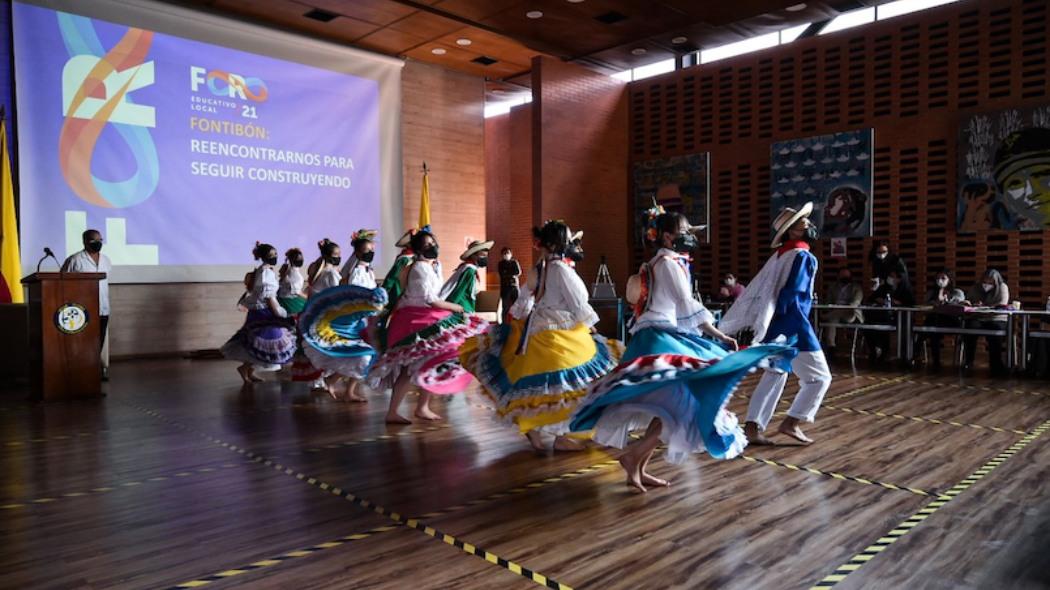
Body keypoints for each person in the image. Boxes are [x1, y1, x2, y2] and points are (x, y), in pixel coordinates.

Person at [568, 209, 791, 492]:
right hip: (661, 338)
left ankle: (636, 464)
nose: (690, 236)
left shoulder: (661, 261)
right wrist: (719, 334)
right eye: (684, 230)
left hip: (658, 336)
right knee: (681, 405)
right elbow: (686, 304)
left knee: (671, 407)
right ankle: (634, 457)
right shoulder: (668, 263)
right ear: (667, 236)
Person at [460, 220, 623, 452]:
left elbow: (524, 300)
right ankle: (560, 437)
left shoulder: (540, 268)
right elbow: (578, 304)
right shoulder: (562, 270)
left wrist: (519, 321)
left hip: (537, 332)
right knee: (574, 385)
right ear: (561, 243)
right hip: (560, 333)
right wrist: (594, 328)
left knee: (546, 389)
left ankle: (540, 432)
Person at [720, 202, 833, 445]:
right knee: (820, 378)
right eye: (805, 223)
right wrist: (793, 330)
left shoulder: (780, 255)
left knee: (775, 373)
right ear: (793, 231)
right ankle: (792, 422)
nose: (810, 226)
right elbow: (793, 294)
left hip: (776, 324)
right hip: (794, 325)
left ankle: (753, 427)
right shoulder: (804, 256)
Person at [367, 228, 488, 423]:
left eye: (433, 244)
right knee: (409, 368)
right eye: (427, 246)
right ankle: (394, 411)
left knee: (432, 361)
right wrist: (457, 308)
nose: (433, 247)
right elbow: (431, 300)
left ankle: (422, 407)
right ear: (418, 249)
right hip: (415, 320)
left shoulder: (428, 267)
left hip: (426, 316)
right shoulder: (419, 268)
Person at [303, 232, 381, 402]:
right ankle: (340, 386)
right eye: (367, 250)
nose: (371, 253)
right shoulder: (355, 273)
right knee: (362, 355)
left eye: (373, 249)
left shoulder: (368, 271)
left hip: (365, 319)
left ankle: (341, 386)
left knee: (362, 356)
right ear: (358, 253)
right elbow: (353, 296)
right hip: (355, 319)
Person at [220, 242, 296, 385]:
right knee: (263, 342)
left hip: (261, 311)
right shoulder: (266, 273)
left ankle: (248, 371)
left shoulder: (264, 270)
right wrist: (279, 313)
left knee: (257, 343)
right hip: (263, 313)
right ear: (263, 257)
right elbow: (268, 297)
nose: (275, 257)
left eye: (275, 254)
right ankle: (246, 369)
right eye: (271, 255)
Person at [61, 229, 113, 378]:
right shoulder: (75, 260)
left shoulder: (106, 260)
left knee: (99, 340)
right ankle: (80, 370)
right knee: (83, 341)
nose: (97, 243)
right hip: (82, 310)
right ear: (84, 241)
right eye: (93, 240)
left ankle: (95, 368)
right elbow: (63, 281)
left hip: (102, 308)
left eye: (100, 240)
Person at [961, 269, 1011, 375]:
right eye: (985, 281)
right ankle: (969, 361)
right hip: (979, 317)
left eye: (990, 282)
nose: (987, 284)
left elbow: (1002, 304)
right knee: (970, 327)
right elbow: (968, 300)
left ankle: (996, 363)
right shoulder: (976, 287)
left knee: (995, 332)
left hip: (996, 317)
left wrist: (985, 306)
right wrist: (970, 303)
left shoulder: (1002, 287)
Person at [863, 268, 914, 363]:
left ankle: (888, 353)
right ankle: (873, 351)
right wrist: (878, 300)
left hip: (898, 318)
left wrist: (896, 303)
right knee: (867, 324)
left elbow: (910, 305)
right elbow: (871, 299)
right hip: (881, 316)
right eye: (890, 276)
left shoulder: (906, 289)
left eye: (893, 276)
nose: (890, 278)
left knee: (885, 326)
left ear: (899, 278)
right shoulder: (884, 288)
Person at [921, 269, 965, 370]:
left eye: (943, 278)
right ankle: (935, 361)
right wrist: (936, 301)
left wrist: (946, 301)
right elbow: (925, 307)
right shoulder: (931, 293)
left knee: (930, 323)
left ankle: (916, 348)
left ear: (949, 280)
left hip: (952, 321)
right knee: (932, 326)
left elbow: (959, 306)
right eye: (937, 278)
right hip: (936, 322)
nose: (940, 280)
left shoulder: (957, 292)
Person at [440, 239, 493, 313]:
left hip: (467, 307)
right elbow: (458, 292)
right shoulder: (469, 271)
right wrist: (449, 309)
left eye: (486, 256)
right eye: (482, 255)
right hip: (462, 309)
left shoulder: (468, 268)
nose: (485, 258)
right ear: (473, 256)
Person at [820, 267, 864, 354]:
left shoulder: (856, 288)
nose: (844, 277)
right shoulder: (833, 287)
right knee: (832, 320)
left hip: (850, 314)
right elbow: (828, 302)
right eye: (842, 275)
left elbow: (856, 302)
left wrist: (843, 306)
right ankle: (831, 346)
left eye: (846, 275)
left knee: (835, 313)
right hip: (835, 312)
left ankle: (822, 317)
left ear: (850, 276)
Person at [498, 247, 521, 320]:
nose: (506, 255)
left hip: (514, 287)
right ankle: (504, 323)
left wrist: (508, 273)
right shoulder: (501, 264)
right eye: (504, 253)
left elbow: (518, 272)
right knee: (505, 307)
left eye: (508, 253)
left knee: (517, 306)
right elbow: (502, 274)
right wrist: (511, 274)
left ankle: (516, 322)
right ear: (502, 255)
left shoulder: (514, 262)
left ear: (511, 254)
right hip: (505, 288)